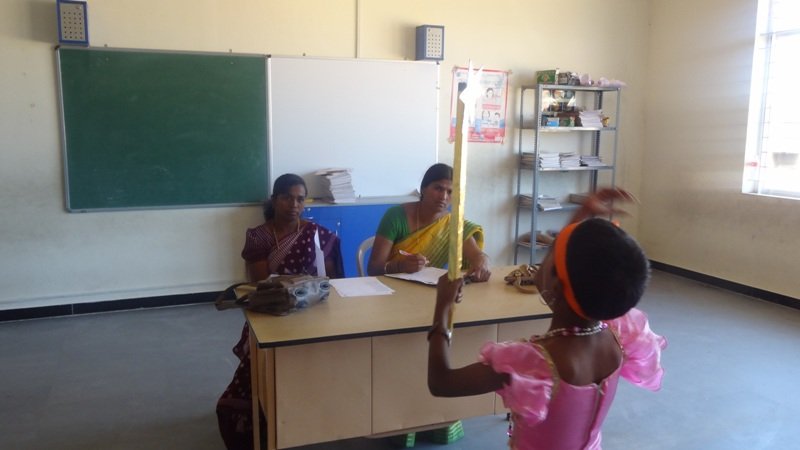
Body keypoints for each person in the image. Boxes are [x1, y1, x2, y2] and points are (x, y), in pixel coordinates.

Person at [427, 188, 667, 450]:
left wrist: (442, 307)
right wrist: (584, 212)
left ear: (556, 285)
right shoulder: (618, 335)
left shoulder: (535, 363)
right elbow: (566, 273)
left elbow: (441, 383)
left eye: (548, 260)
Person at [216, 173, 343, 450]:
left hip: (313, 313)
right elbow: (262, 284)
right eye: (287, 198)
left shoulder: (318, 234)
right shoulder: (260, 236)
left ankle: (315, 414)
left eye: (300, 199)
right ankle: (266, 414)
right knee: (264, 362)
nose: (294, 205)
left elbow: (331, 281)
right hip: (273, 311)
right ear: (274, 200)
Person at [367, 163, 491, 282]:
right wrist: (400, 266)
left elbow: (477, 255)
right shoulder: (396, 216)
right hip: (390, 288)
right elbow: (373, 269)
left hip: (430, 290)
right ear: (423, 189)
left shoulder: (452, 224)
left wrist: (482, 261)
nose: (443, 197)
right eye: (438, 188)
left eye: (450, 192)